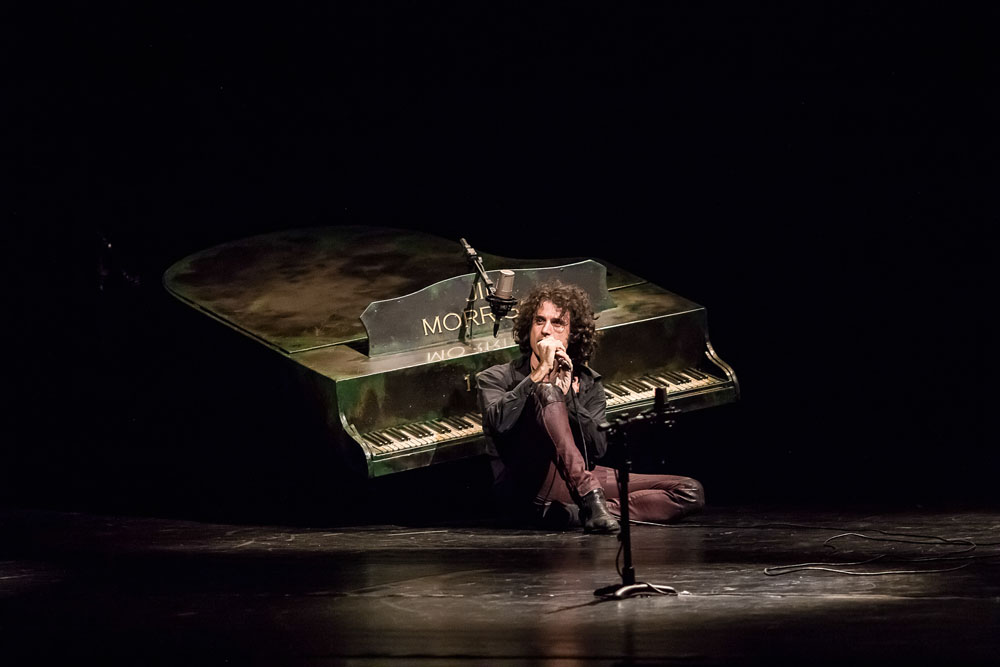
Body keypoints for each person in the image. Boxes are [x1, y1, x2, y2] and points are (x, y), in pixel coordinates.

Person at [476, 281, 705, 533]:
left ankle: (577, 513)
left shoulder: (587, 381)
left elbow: (597, 448)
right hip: (525, 485)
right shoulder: (496, 377)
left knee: (689, 490)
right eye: (539, 321)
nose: (546, 330)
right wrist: (539, 374)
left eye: (557, 323)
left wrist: (567, 399)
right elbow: (498, 423)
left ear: (572, 334)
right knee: (546, 390)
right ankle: (589, 497)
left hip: (572, 480)